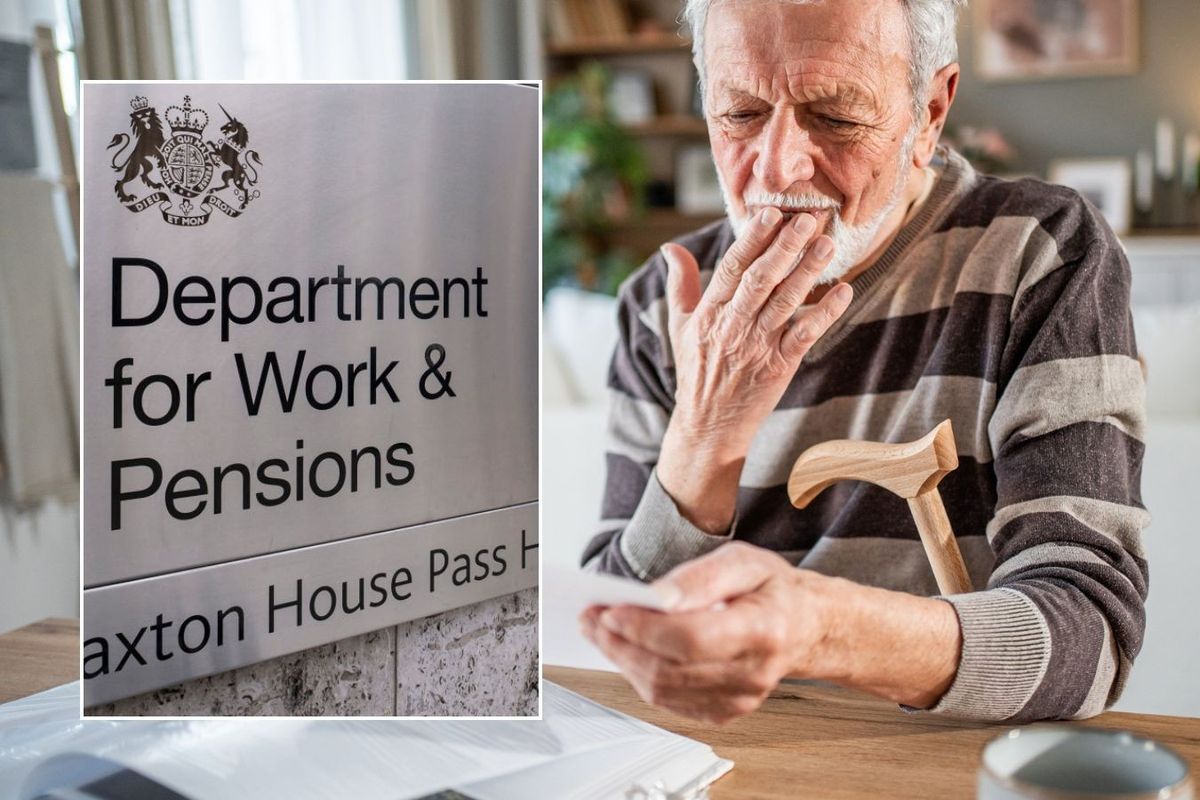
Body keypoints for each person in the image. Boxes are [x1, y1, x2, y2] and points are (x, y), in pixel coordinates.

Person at [580, 0, 1147, 725]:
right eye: (740, 113)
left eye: (837, 117)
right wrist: (704, 438)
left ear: (931, 113)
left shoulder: (1040, 252)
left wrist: (821, 629)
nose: (778, 166)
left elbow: (1090, 631)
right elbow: (605, 641)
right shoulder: (662, 306)